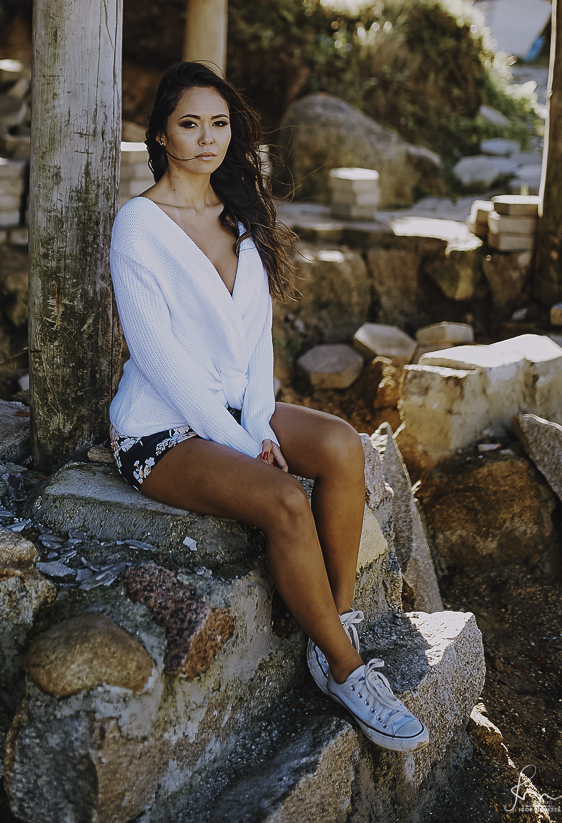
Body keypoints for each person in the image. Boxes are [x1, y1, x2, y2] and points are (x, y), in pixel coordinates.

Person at [108, 61, 428, 754]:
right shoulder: (138, 226)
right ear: (161, 134)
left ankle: (335, 624)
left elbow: (258, 339)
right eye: (189, 124)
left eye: (219, 124)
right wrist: (240, 442)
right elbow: (158, 358)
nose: (207, 138)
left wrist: (256, 424)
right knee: (284, 499)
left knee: (341, 445)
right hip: (161, 430)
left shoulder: (238, 215)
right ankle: (346, 672)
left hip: (234, 409)